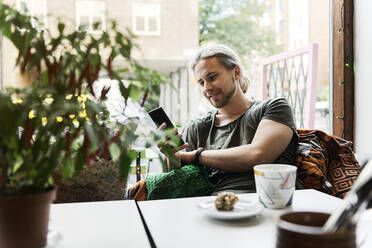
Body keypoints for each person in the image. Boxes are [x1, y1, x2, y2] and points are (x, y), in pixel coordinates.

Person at [166, 44, 299, 195]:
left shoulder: (274, 107)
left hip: (270, 202)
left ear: (236, 72)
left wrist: (195, 156)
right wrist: (172, 156)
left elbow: (258, 155)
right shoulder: (197, 127)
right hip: (213, 207)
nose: (207, 88)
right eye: (202, 82)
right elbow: (178, 182)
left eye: (212, 77)